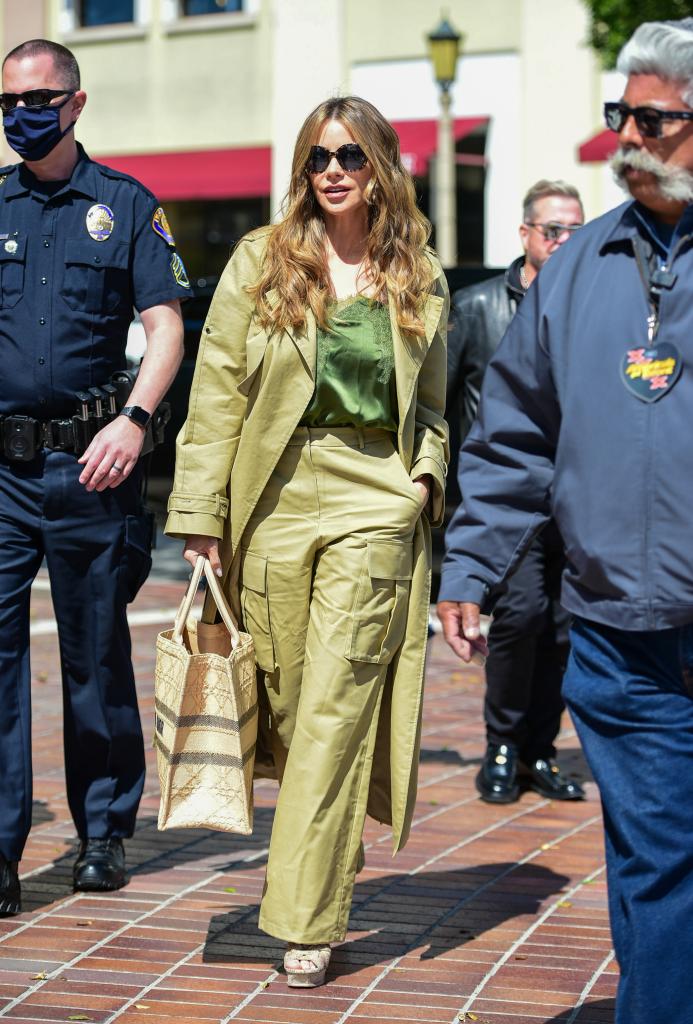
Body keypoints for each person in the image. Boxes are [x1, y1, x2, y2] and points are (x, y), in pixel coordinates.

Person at [437, 17, 693, 1024]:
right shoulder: (578, 267)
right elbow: (512, 437)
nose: (628, 137)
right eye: (616, 115)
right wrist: (470, 565)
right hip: (616, 632)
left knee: (664, 867)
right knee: (653, 859)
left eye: (654, 120)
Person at [165, 95, 448, 988]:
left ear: (382, 168)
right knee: (285, 703)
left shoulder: (418, 274)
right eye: (319, 156)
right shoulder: (262, 259)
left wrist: (424, 478)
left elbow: (432, 405)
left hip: (374, 496)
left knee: (332, 706)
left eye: (352, 157)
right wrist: (201, 517)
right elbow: (215, 397)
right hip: (273, 496)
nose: (333, 170)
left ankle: (303, 920)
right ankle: (315, 874)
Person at [0, 39, 188, 916]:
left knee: (95, 657)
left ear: (76, 104)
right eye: (7, 101)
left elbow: (166, 325)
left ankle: (102, 832)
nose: (20, 114)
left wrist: (135, 420)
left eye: (38, 98)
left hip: (90, 466)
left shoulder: (124, 206)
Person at [446, 180, 585, 803]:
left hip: (576, 496)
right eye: (552, 230)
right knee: (522, 615)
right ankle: (501, 745)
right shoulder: (477, 308)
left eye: (575, 232)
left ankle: (539, 749)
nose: (563, 242)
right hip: (507, 496)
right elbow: (442, 404)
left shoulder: (589, 303)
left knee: (562, 626)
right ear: (525, 233)